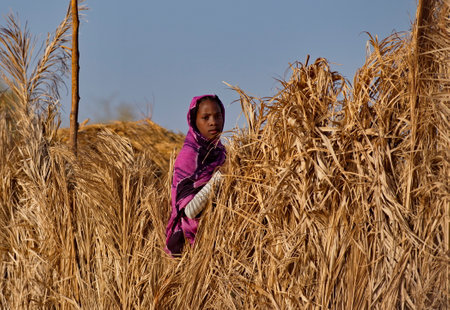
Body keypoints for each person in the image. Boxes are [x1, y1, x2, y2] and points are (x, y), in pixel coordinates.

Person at [165, 94, 226, 256]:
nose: (213, 122)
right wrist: (220, 178)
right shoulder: (188, 158)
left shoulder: (222, 153)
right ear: (194, 121)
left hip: (222, 241)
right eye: (205, 118)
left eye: (217, 116)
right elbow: (189, 212)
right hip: (194, 248)